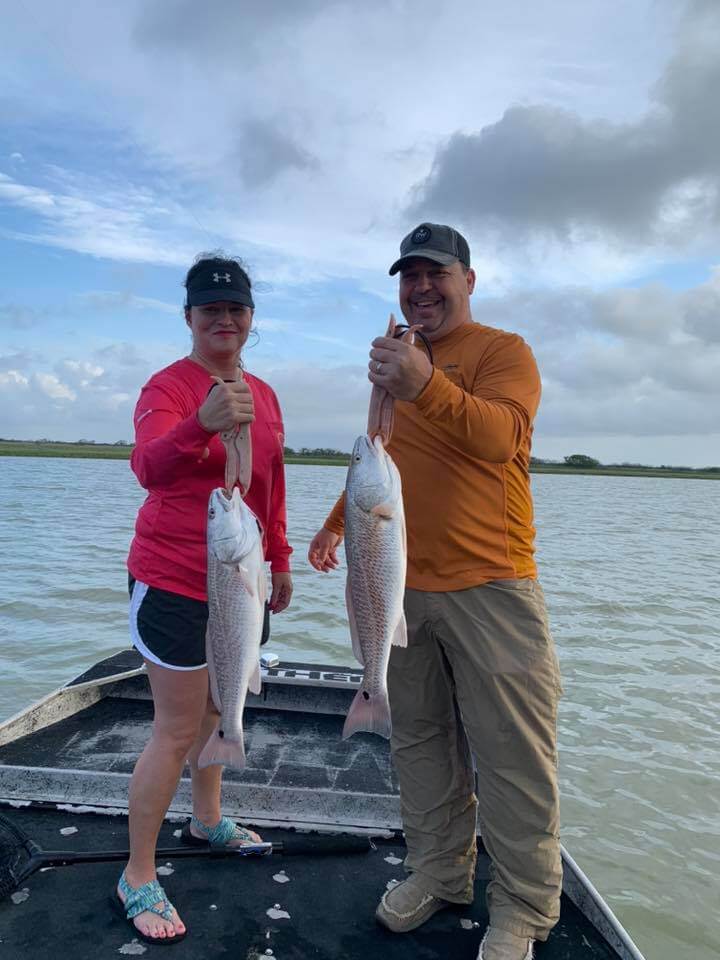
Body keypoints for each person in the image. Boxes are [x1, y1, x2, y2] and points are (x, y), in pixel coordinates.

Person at [308, 224, 561, 960]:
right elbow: (383, 466)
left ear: (469, 280)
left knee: (513, 755)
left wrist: (426, 383)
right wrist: (332, 525)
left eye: (436, 273)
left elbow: (501, 438)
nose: (421, 287)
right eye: (408, 275)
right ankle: (440, 873)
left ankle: (523, 907)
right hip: (401, 587)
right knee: (418, 741)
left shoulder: (502, 353)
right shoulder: (395, 365)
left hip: (493, 584)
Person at [119, 253, 293, 945]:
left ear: (250, 318)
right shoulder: (168, 387)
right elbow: (148, 468)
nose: (225, 318)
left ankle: (206, 816)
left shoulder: (267, 393)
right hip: (174, 581)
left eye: (236, 308)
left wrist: (279, 556)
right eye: (211, 308)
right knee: (177, 727)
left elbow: (270, 483)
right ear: (189, 317)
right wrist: (201, 421)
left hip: (243, 579)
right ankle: (136, 872)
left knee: (225, 706)